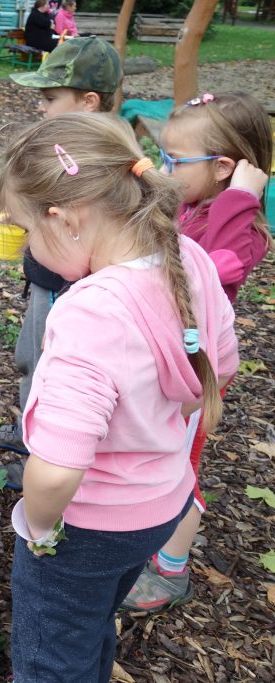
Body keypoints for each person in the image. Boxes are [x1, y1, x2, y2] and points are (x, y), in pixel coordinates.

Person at [0, 113, 238, 682]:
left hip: (86, 529)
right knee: (90, 620)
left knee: (49, 658)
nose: (31, 246)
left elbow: (55, 473)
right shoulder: (188, 257)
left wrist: (38, 526)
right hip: (161, 506)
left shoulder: (90, 311)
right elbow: (218, 365)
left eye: (30, 230)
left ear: (65, 218)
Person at [121, 91, 272, 613]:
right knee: (157, 449)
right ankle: (148, 535)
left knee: (180, 463)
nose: (165, 168)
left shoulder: (242, 230)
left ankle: (170, 571)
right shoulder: (192, 205)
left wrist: (240, 199)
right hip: (173, 360)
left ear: (224, 167)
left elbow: (201, 270)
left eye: (175, 160)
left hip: (199, 369)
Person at [0, 36, 122, 458]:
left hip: (63, 286)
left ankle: (41, 452)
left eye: (50, 98)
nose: (41, 107)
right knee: (30, 354)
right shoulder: (85, 144)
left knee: (46, 363)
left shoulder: (92, 157)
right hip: (49, 278)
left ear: (88, 100)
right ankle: (30, 430)